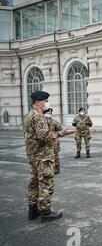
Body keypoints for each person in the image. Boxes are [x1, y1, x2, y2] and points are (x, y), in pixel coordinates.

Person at [24, 91, 75, 222]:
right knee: (45, 182)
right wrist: (62, 133)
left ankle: (33, 210)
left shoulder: (29, 115)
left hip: (33, 155)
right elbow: (44, 136)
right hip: (42, 156)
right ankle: (45, 212)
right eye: (45, 100)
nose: (47, 103)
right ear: (37, 102)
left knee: (34, 182)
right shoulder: (38, 116)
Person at [43, 108, 63, 174]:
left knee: (55, 155)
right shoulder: (41, 122)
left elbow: (60, 128)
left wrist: (54, 132)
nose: (48, 114)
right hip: (45, 141)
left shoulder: (54, 122)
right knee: (45, 155)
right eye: (46, 113)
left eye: (49, 113)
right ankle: (47, 167)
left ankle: (57, 167)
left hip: (54, 141)